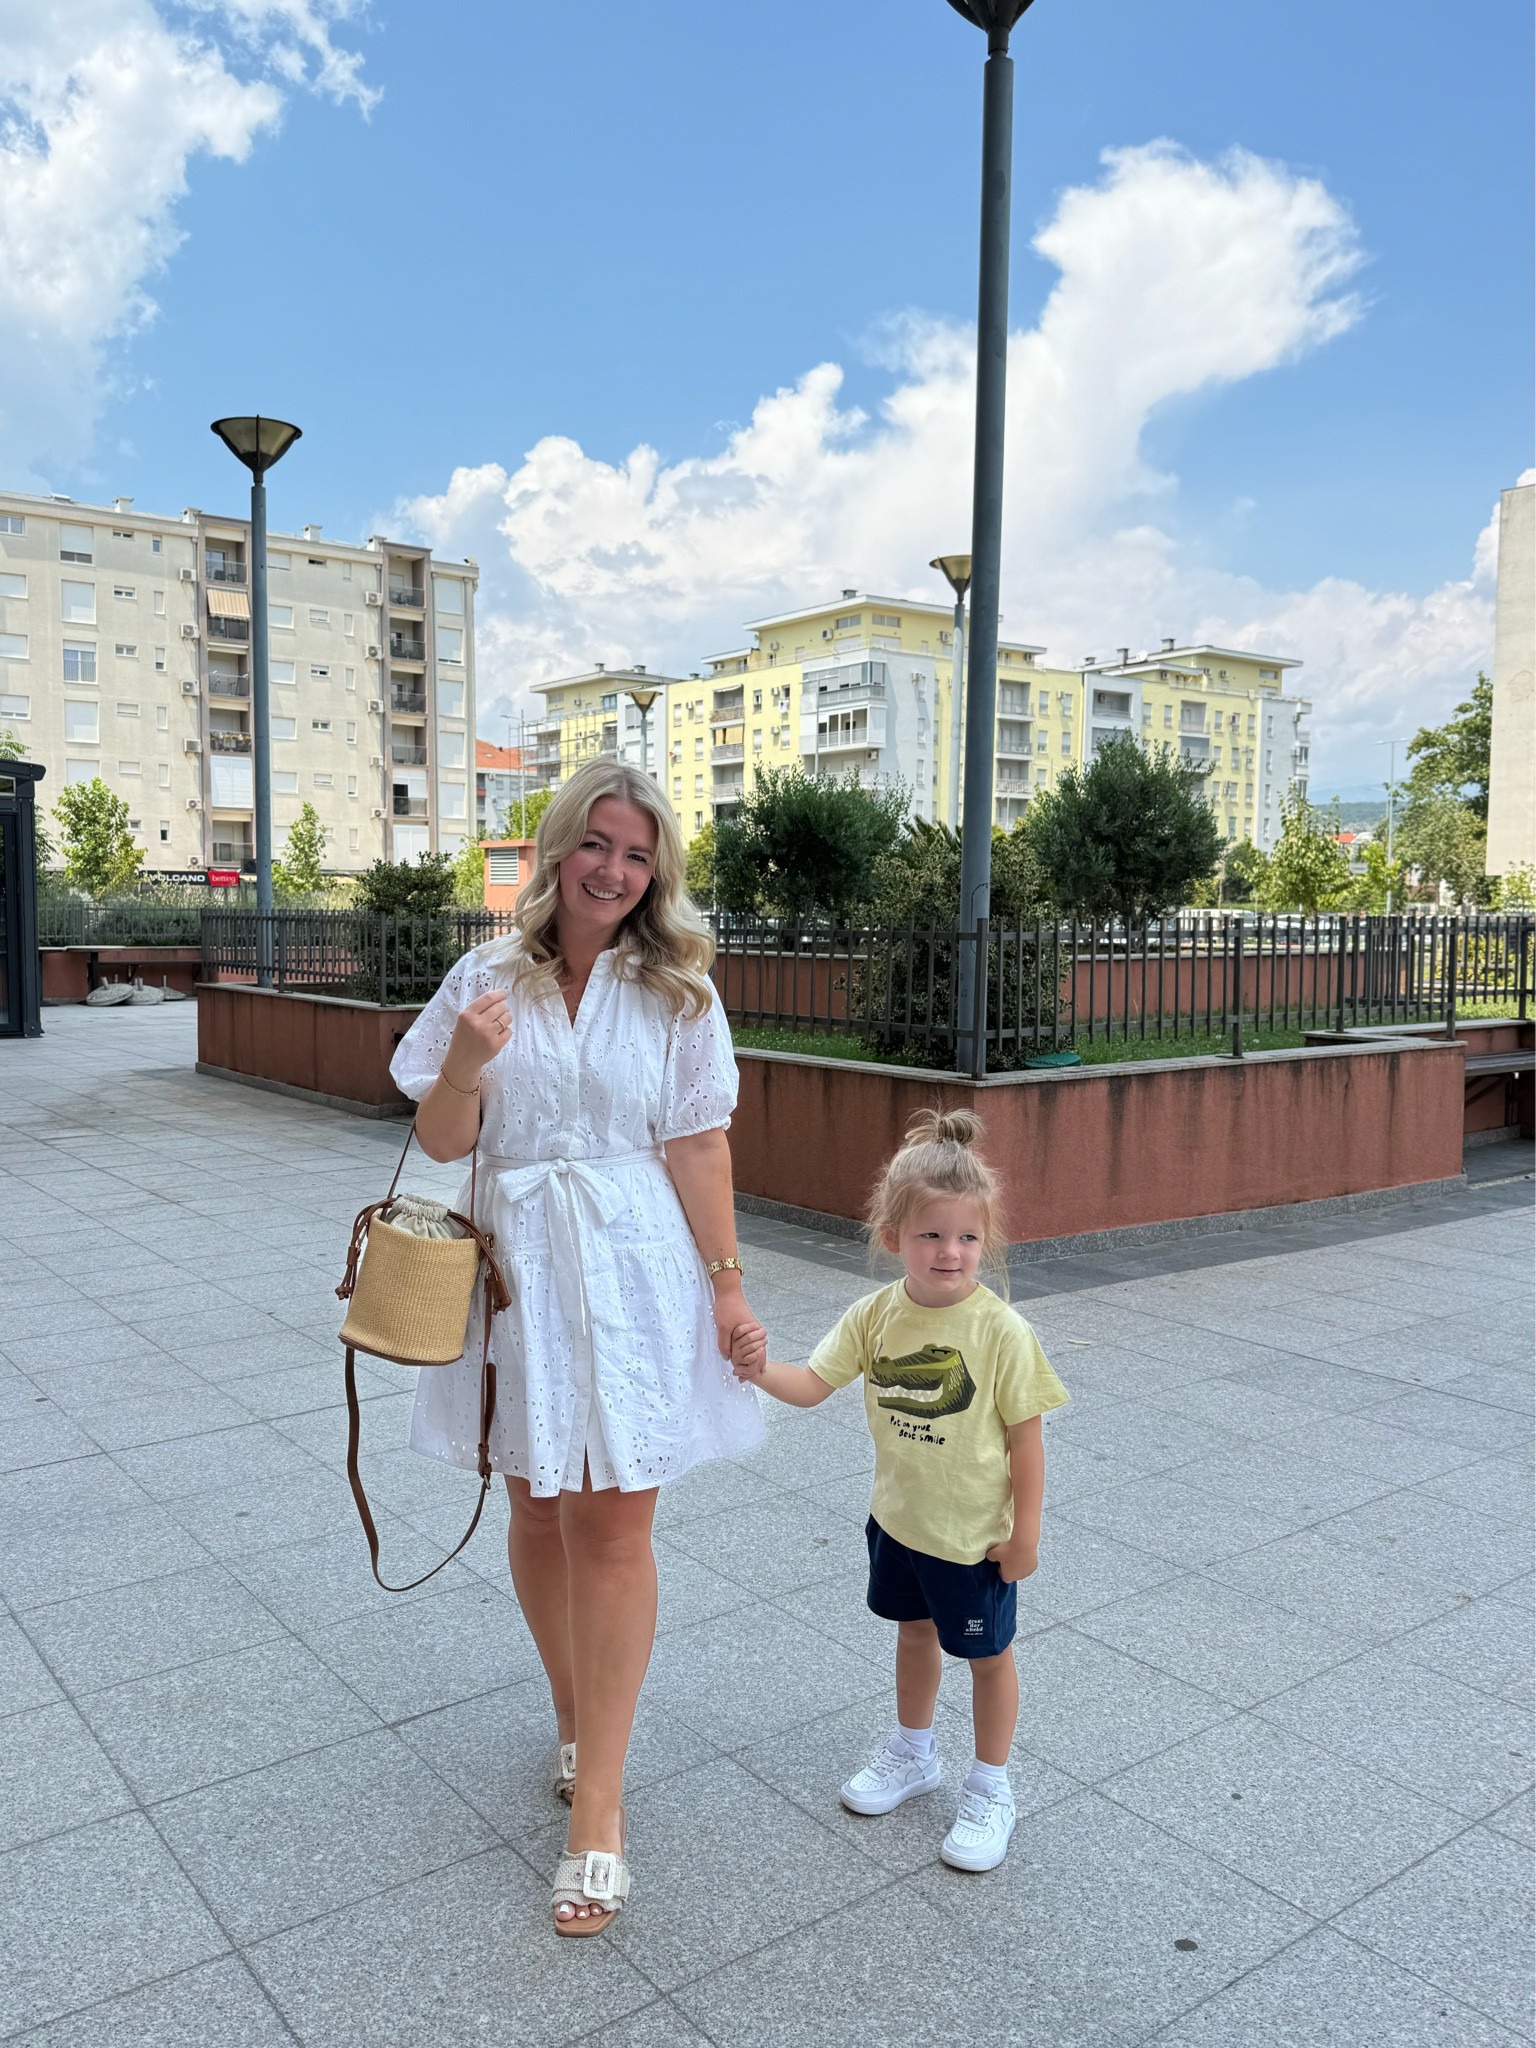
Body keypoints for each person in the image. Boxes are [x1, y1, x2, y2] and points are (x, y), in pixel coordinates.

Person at [390, 758, 762, 1936]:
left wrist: (728, 1290)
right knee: (540, 1506)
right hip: (518, 1268)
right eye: (598, 843)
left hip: (636, 1267)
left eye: (638, 853)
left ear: (658, 873)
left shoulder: (680, 993)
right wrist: (460, 1063)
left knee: (615, 1519)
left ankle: (596, 1803)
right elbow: (445, 1140)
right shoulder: (484, 974)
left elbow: (700, 1148)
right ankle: (573, 1714)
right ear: (559, 848)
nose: (614, 868)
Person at [729, 1109, 1066, 1872]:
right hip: (899, 1524)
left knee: (988, 1657)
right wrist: (756, 1370)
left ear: (987, 1240)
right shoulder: (876, 1315)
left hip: (974, 1536)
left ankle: (991, 1787)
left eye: (967, 1237)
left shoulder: (1001, 1331)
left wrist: (1027, 1535)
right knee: (912, 1635)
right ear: (893, 1238)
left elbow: (1027, 1437)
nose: (950, 1252)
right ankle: (915, 1755)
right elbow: (813, 1385)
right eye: (931, 1235)